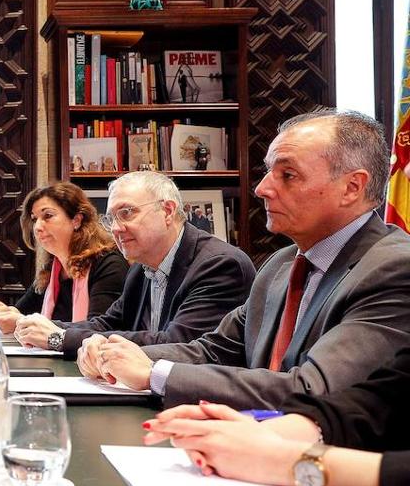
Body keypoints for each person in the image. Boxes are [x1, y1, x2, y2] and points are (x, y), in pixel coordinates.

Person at [88, 110, 410, 409]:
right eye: (269, 171)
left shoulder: (393, 269)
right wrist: (114, 354)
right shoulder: (279, 266)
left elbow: (315, 389)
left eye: (288, 175)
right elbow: (212, 351)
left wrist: (155, 373)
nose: (261, 188)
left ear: (352, 187)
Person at [142, 348, 410, 486]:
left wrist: (287, 461)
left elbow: (313, 385)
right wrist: (248, 435)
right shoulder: (278, 266)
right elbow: (383, 398)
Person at [14, 171, 254, 356]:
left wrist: (59, 338)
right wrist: (45, 327)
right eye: (111, 218)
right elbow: (110, 322)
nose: (116, 228)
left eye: (127, 213)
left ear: (168, 211)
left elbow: (177, 344)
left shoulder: (220, 265)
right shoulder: (141, 266)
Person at [0, 182, 128, 335]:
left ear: (76, 220)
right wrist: (1, 312)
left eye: (47, 216)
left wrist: (21, 322)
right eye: (34, 219)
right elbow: (20, 312)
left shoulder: (109, 264)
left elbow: (100, 331)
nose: (37, 227)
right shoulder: (52, 270)